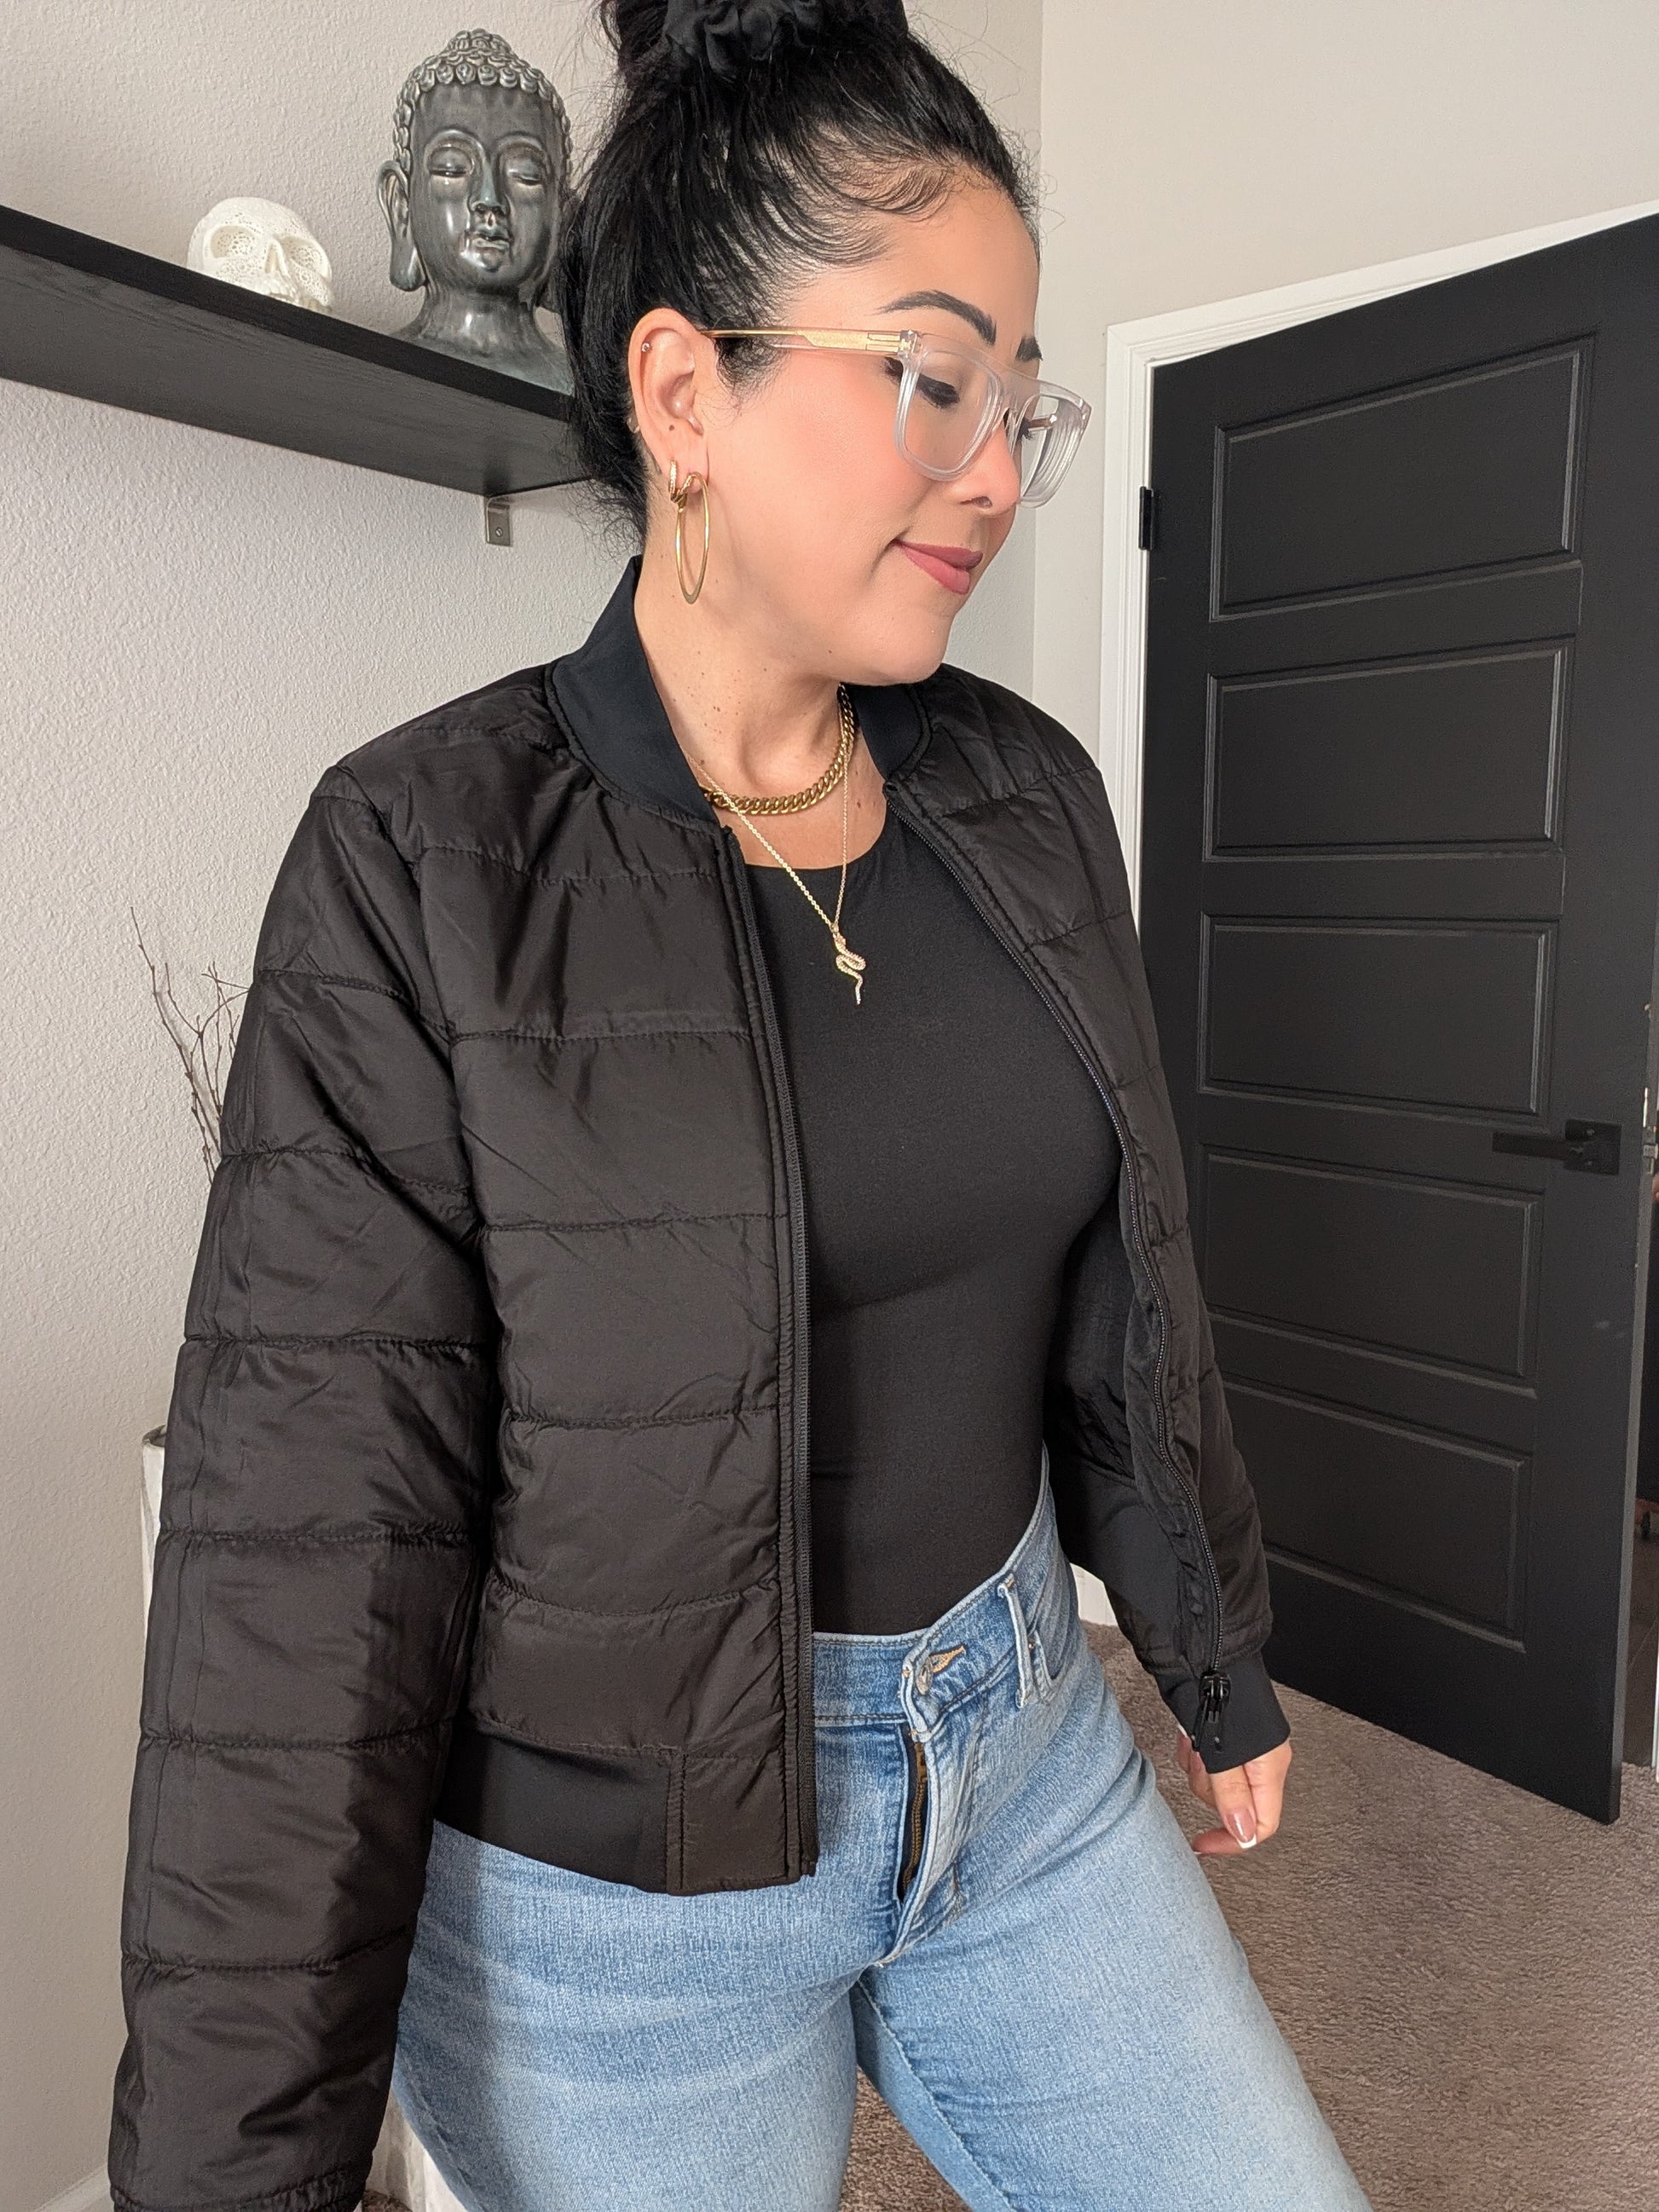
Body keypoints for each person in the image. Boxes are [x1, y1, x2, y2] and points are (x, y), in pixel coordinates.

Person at [107, 3, 1375, 2209]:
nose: (998, 471)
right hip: (614, 1902)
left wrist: (1207, 1638)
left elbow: (1117, 1281)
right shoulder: (420, 862)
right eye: (932, 379)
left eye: (1020, 400)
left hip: (1019, 1756)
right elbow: (302, 1587)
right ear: (684, 393)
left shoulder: (1023, 794)